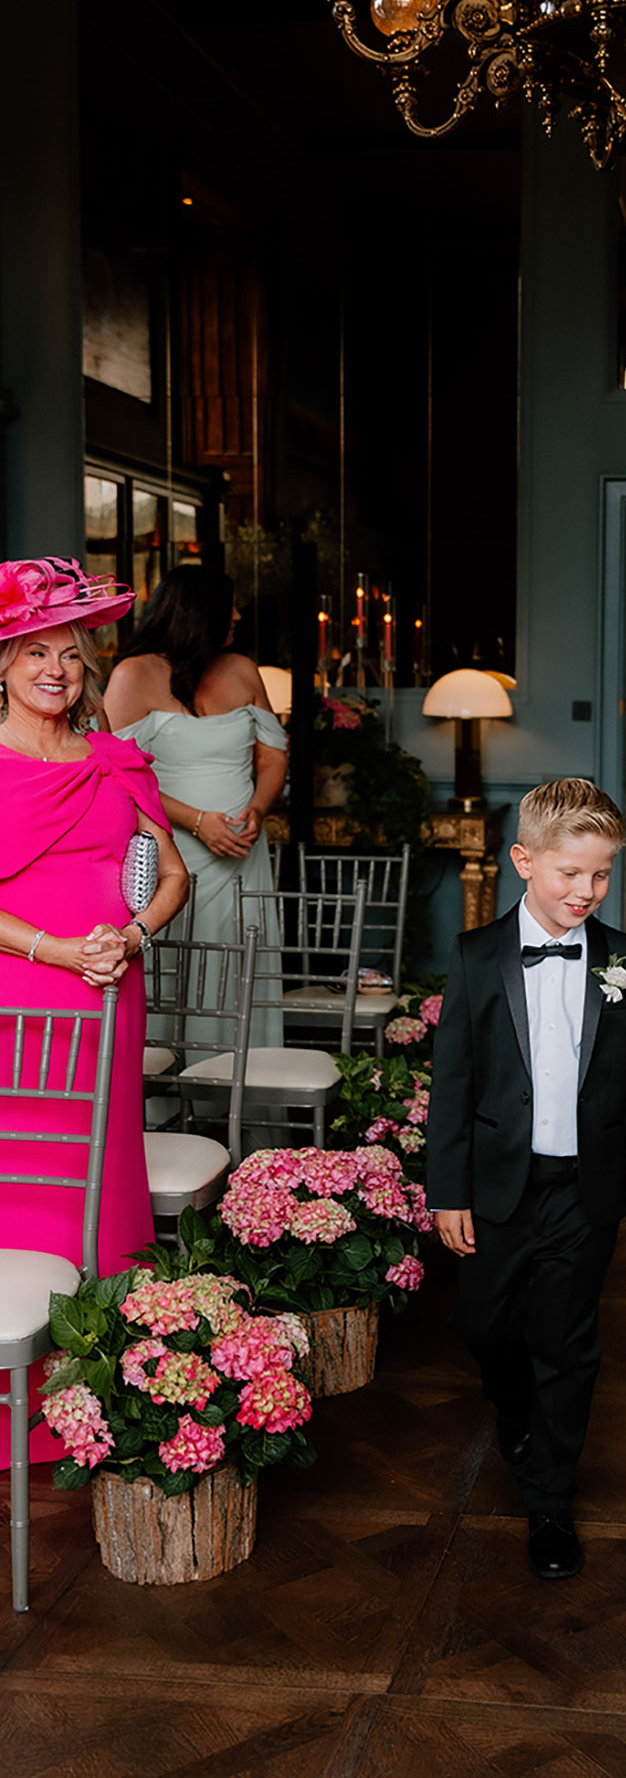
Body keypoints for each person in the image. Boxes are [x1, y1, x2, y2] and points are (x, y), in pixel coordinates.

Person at [426, 779, 626, 1580]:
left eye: (600, 876)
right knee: (485, 1327)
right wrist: (448, 1191)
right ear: (524, 860)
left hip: (585, 1187)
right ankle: (516, 1411)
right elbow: (455, 1082)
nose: (585, 892)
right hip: (497, 1183)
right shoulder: (474, 957)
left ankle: (550, 1501)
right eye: (570, 873)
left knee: (567, 1343)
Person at [0, 557, 189, 1466]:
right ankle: (14, 1396)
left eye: (70, 655)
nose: (56, 670)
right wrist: (56, 948)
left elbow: (174, 874)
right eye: (34, 652)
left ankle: (93, 1393)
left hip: (110, 993)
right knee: (18, 1184)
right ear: (1, 664)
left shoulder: (116, 760)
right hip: (19, 995)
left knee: (102, 1173)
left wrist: (131, 934)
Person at [103, 564, 288, 1040]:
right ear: (199, 613)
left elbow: (272, 757)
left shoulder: (243, 670)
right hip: (170, 849)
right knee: (177, 963)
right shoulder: (133, 674)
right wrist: (197, 821)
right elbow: (115, 773)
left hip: (244, 854)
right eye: (229, 606)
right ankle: (170, 1097)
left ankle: (238, 1094)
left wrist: (259, 810)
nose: (238, 615)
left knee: (237, 962)